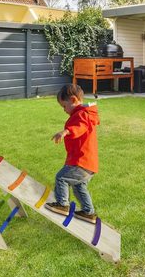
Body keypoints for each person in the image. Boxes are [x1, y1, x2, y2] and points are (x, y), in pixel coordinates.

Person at [45, 83, 100, 224]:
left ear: (74, 100)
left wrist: (66, 131)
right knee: (79, 186)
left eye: (64, 106)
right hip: (89, 163)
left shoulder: (82, 115)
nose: (64, 110)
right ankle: (89, 213)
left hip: (81, 162)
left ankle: (63, 205)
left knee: (61, 178)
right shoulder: (85, 114)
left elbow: (79, 127)